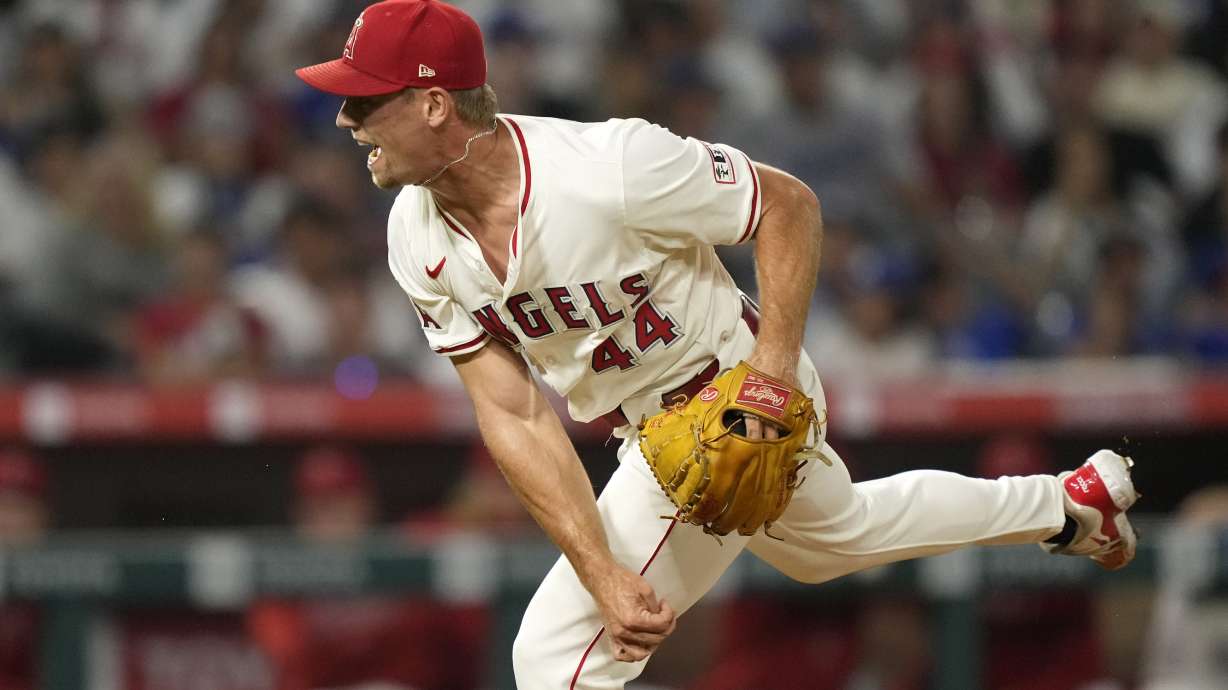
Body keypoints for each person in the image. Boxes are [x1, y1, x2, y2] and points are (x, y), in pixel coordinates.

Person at [294, 2, 1142, 687]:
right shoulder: (415, 236)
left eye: (366, 99)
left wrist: (771, 383)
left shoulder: (606, 167)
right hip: (649, 423)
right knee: (832, 540)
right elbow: (513, 412)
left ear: (435, 103)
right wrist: (600, 567)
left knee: (552, 659)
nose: (344, 116)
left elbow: (790, 208)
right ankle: (1070, 503)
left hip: (736, 384)